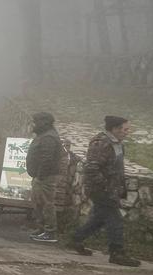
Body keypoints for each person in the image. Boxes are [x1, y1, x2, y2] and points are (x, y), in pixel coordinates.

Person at [69, 116, 140, 267]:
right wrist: (106, 186)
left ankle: (75, 239)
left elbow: (115, 168)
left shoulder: (117, 144)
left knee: (99, 219)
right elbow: (92, 168)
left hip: (110, 189)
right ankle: (117, 252)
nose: (127, 132)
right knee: (115, 220)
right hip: (101, 190)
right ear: (114, 129)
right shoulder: (101, 143)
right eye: (125, 129)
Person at [25, 111, 64, 243]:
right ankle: (41, 228)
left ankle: (50, 232)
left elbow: (47, 158)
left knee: (47, 204)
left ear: (43, 123)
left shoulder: (48, 138)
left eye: (35, 122)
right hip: (41, 176)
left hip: (45, 177)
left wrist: (40, 176)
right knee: (39, 203)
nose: (33, 125)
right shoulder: (44, 135)